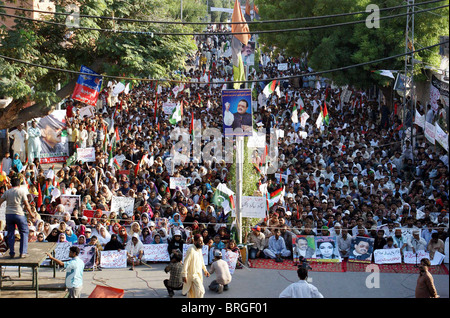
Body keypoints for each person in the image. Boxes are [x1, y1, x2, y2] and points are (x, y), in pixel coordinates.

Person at [0, 177, 36, 258]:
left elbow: (0, 201)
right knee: (24, 232)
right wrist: (31, 214)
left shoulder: (7, 192)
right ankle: (23, 252)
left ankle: (12, 253)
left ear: (11, 184)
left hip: (9, 214)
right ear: (19, 184)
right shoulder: (21, 191)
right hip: (19, 213)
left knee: (11, 233)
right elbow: (27, 205)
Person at [181, 234, 210, 298]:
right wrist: (184, 274)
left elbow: (202, 261)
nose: (201, 242)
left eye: (202, 241)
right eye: (200, 241)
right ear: (195, 241)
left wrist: (205, 270)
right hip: (192, 275)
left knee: (193, 293)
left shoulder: (199, 249)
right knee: (201, 291)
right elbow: (186, 262)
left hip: (199, 274)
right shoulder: (191, 250)